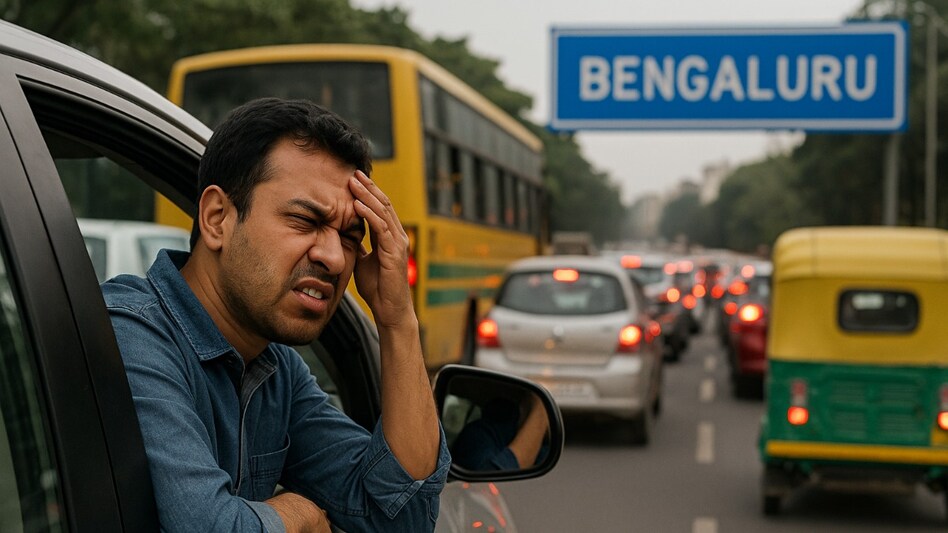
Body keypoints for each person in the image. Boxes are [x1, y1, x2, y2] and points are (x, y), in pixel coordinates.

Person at [103, 98, 450, 532]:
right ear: (217, 219)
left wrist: (397, 321)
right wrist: (299, 513)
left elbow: (401, 517)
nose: (334, 259)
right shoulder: (132, 333)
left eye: (348, 236)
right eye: (305, 220)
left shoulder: (275, 369)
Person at [451, 394, 549, 471]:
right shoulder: (478, 434)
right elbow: (490, 477)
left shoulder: (551, 447)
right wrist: (540, 410)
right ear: (524, 405)